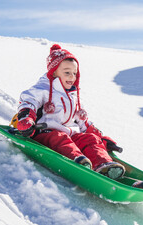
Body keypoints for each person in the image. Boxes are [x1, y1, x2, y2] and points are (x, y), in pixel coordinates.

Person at [16, 44, 125, 180]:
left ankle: (104, 165)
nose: (72, 77)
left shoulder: (73, 96)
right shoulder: (43, 89)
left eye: (74, 73)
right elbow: (28, 102)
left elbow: (82, 121)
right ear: (54, 72)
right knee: (61, 138)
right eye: (67, 72)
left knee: (90, 139)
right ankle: (77, 161)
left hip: (69, 133)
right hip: (45, 133)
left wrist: (101, 138)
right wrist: (27, 119)